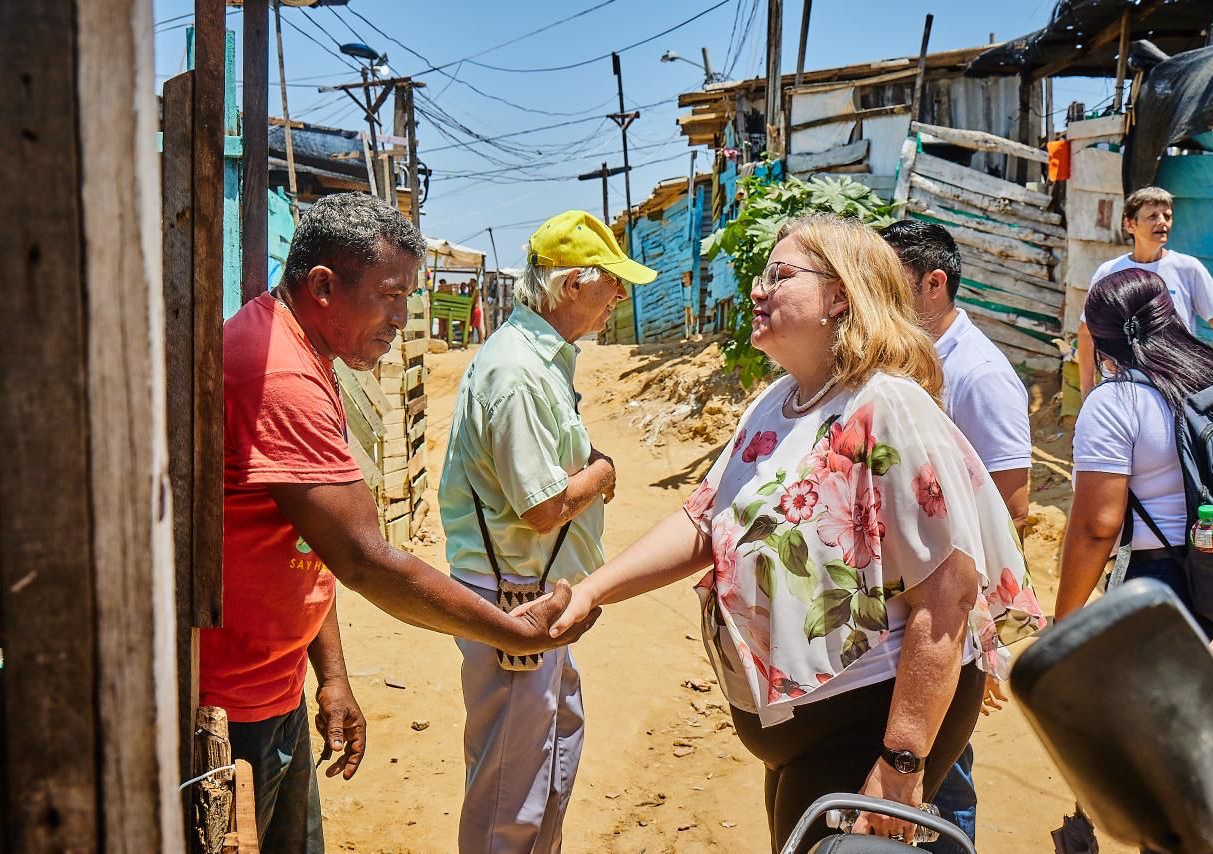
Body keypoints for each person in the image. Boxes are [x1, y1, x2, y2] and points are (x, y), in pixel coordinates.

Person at [542, 214, 1045, 851]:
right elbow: (705, 521)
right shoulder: (778, 402)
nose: (756, 289)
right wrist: (592, 591)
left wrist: (901, 764)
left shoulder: (887, 406)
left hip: (869, 715)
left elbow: (947, 597)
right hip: (800, 730)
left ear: (841, 296)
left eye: (779, 276)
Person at [201, 193, 598, 854]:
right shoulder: (279, 374)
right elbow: (362, 558)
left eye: (407, 297)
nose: (401, 317)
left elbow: (308, 540)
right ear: (324, 286)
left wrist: (328, 676)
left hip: (270, 690)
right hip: (230, 708)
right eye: (390, 295)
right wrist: (508, 630)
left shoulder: (302, 353)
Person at [438, 210, 657, 853]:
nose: (620, 295)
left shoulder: (540, 361)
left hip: (533, 590)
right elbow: (541, 508)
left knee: (547, 758)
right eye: (610, 283)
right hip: (514, 597)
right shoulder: (518, 372)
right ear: (569, 286)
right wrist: (604, 473)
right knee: (512, 789)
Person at [881, 220, 1032, 850]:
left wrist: (974, 627)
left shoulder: (979, 375)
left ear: (933, 285)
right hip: (914, 606)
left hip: (947, 614)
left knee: (944, 775)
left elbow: (1012, 507)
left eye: (890, 283)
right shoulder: (914, 364)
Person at [1056, 267, 1213, 640]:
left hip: (1159, 582)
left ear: (1100, 339)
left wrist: (1065, 621)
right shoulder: (1207, 376)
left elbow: (1097, 526)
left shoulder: (1115, 402)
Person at [1077, 186, 1213, 400]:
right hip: (1122, 387)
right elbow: (1087, 333)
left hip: (1175, 386)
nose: (1162, 222)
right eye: (1152, 216)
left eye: (1167, 216)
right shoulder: (1110, 272)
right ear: (1129, 224)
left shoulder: (1188, 268)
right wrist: (1086, 389)